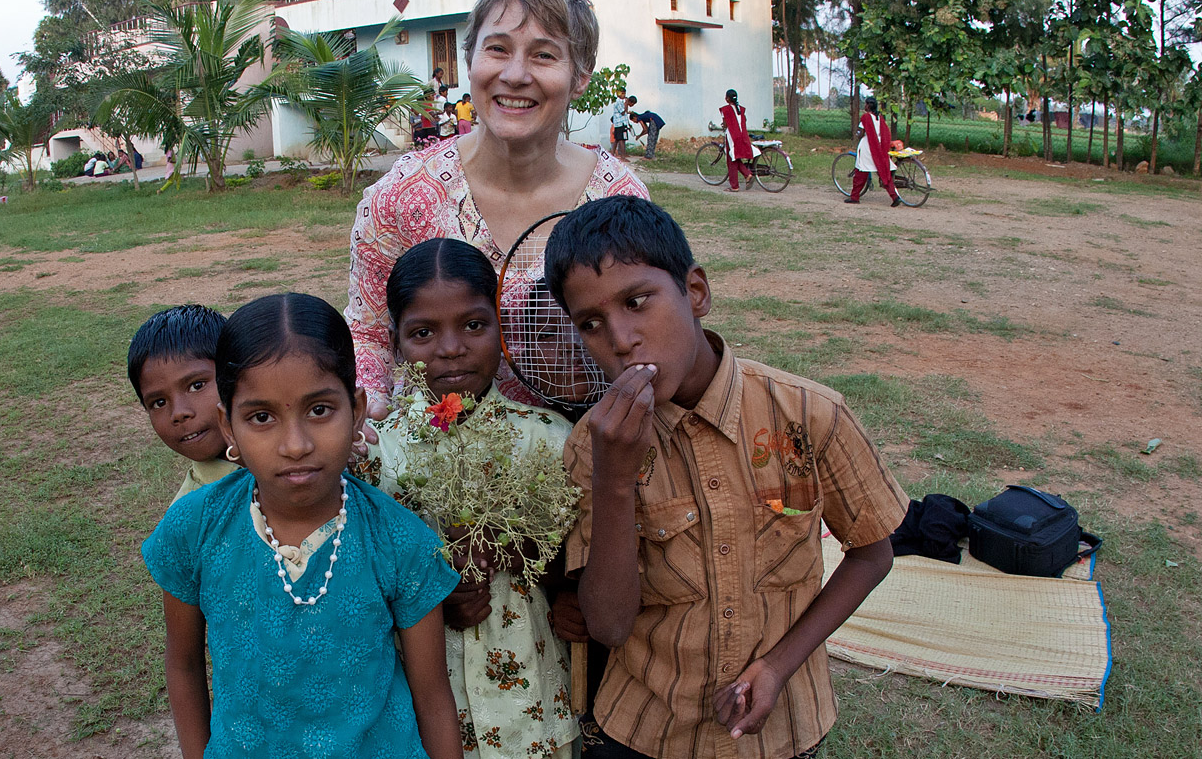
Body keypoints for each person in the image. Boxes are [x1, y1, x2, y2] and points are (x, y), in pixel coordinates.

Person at [543, 196, 908, 759]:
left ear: (696, 292)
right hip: (645, 729)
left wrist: (780, 665)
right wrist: (614, 480)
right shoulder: (596, 447)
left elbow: (872, 554)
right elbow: (609, 626)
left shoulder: (810, 415)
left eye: (637, 302)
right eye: (590, 324)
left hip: (783, 728)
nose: (620, 339)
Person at [142, 292, 463, 759]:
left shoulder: (399, 540)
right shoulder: (195, 528)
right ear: (228, 426)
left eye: (319, 410)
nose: (295, 445)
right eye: (261, 417)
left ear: (356, 410)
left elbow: (432, 697)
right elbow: (184, 666)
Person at [346, 0, 647, 417]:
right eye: (497, 49)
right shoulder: (399, 198)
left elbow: (646, 330)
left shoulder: (619, 200)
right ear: (470, 60)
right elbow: (368, 334)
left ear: (580, 76)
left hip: (588, 447)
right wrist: (372, 413)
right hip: (431, 451)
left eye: (544, 55)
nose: (515, 74)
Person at [368, 238, 580, 758]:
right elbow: (364, 588)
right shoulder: (378, 456)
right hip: (426, 715)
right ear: (396, 344)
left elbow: (577, 571)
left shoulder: (550, 439)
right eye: (423, 333)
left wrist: (519, 552)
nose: (451, 348)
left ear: (501, 329)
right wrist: (433, 598)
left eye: (473, 325)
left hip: (534, 710)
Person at [127, 304, 237, 504]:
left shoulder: (293, 451)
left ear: (235, 374)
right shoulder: (189, 514)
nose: (178, 413)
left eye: (196, 386)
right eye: (159, 403)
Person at [846, 97, 901, 207]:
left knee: (860, 173)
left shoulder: (866, 117)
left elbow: (861, 133)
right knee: (884, 174)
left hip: (867, 148)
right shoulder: (879, 118)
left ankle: (854, 197)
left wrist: (857, 132)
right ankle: (894, 196)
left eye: (865, 104)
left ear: (868, 106)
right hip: (879, 148)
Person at [719, 89, 754, 191]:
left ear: (727, 99)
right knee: (735, 157)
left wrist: (723, 125)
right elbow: (744, 120)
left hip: (732, 136)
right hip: (742, 136)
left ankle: (735, 185)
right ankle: (747, 174)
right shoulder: (741, 109)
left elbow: (725, 124)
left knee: (731, 160)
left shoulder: (726, 109)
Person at [610, 87, 629, 159]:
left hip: (621, 123)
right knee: (621, 140)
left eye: (624, 93)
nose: (624, 95)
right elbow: (623, 112)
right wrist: (626, 103)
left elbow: (625, 111)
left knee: (617, 139)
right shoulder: (618, 102)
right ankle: (623, 157)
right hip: (620, 123)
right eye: (623, 93)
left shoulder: (621, 102)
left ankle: (612, 154)